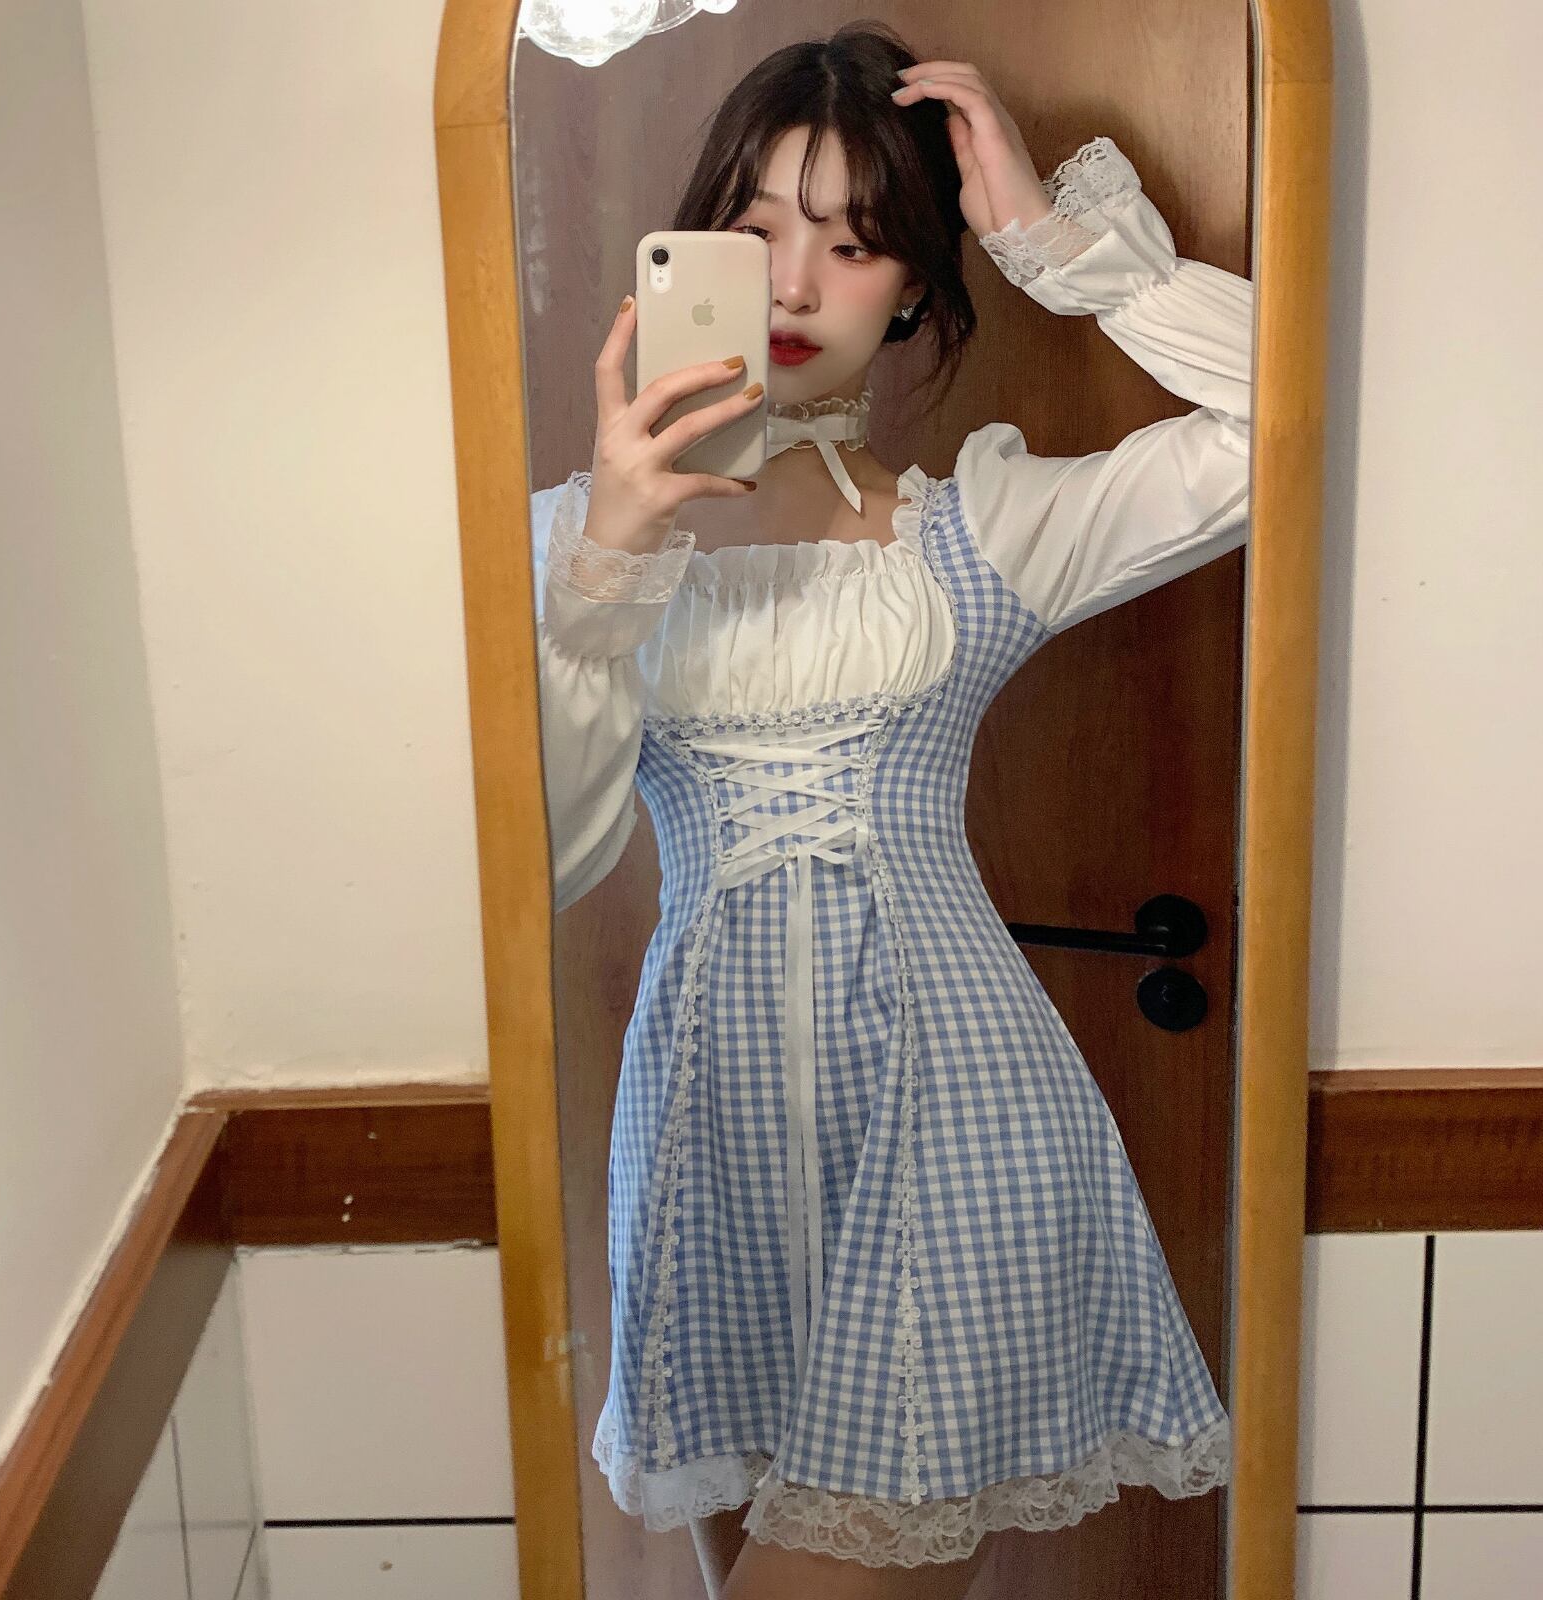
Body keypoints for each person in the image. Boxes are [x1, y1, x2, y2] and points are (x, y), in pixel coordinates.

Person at [529, 22, 1249, 1600]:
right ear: (692, 251)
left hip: (959, 1129)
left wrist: (1054, 244)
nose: (793, 287)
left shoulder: (986, 526)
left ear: (918, 287)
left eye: (856, 245)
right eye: (759, 230)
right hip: (705, 1151)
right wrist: (610, 564)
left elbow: (1284, 424)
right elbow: (542, 862)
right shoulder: (567, 546)